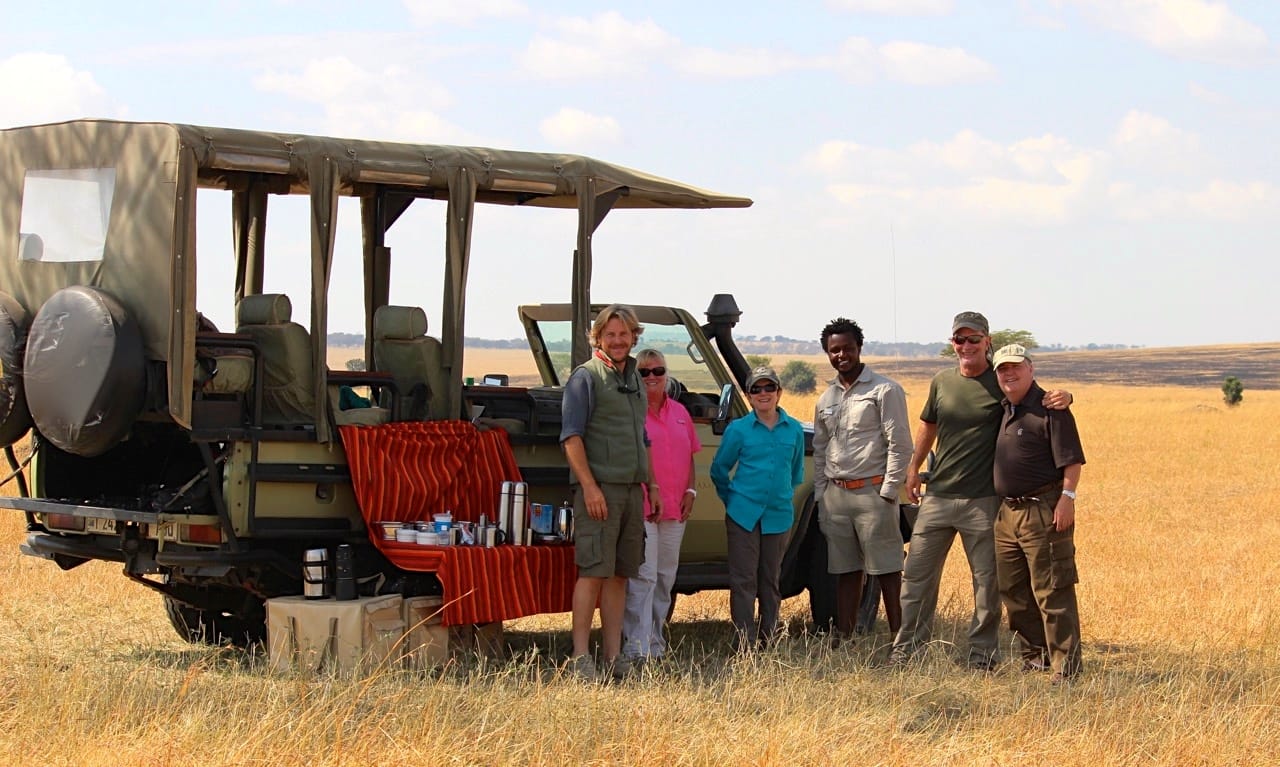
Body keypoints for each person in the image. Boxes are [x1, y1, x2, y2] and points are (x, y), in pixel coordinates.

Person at [888, 311, 1072, 670]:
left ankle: (982, 655)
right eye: (960, 339)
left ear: (988, 341)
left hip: (984, 500)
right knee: (916, 578)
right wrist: (912, 468)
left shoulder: (1000, 379)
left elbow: (1036, 396)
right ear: (952, 343)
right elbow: (928, 425)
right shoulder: (942, 381)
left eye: (974, 339)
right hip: (937, 496)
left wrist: (1066, 395)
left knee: (987, 584)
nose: (966, 346)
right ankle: (907, 651)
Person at [560, 304, 658, 681]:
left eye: (624, 334)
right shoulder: (586, 377)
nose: (618, 341)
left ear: (634, 337)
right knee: (593, 573)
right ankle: (581, 658)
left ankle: (614, 657)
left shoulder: (634, 377)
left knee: (620, 575)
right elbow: (571, 437)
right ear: (598, 338)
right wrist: (589, 487)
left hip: (632, 490)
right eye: (610, 334)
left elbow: (642, 437)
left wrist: (652, 485)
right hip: (600, 489)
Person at [812, 317, 912, 647]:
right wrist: (821, 495)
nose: (841, 355)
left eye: (847, 348)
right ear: (827, 353)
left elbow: (900, 443)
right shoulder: (826, 399)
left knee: (887, 570)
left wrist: (889, 491)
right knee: (845, 570)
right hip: (836, 495)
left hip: (873, 493)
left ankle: (900, 641)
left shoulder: (885, 390)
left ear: (859, 348)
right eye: (834, 350)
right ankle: (845, 638)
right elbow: (820, 449)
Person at [991, 344, 1085, 684]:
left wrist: (1067, 498)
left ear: (1031, 369)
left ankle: (1066, 669)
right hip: (1007, 513)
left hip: (1042, 509)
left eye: (1016, 367)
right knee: (1014, 591)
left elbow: (1072, 461)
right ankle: (1035, 658)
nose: (1009, 373)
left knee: (1052, 590)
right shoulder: (1004, 408)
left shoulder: (1051, 408)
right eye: (1002, 369)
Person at [711, 365, 806, 651]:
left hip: (778, 516)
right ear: (748, 396)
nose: (763, 393)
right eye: (756, 389)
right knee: (743, 581)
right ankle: (745, 643)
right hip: (743, 515)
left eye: (769, 387)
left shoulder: (795, 430)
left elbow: (796, 473)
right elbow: (719, 470)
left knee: (771, 580)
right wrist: (733, 500)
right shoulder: (738, 430)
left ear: (779, 392)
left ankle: (769, 640)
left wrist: (780, 496)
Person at [622, 349, 701, 662]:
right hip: (643, 506)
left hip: (675, 507)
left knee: (666, 577)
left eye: (658, 371)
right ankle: (635, 645)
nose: (651, 377)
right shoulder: (631, 412)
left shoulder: (680, 412)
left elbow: (691, 456)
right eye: (643, 372)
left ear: (667, 374)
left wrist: (691, 490)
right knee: (644, 576)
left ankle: (655, 642)